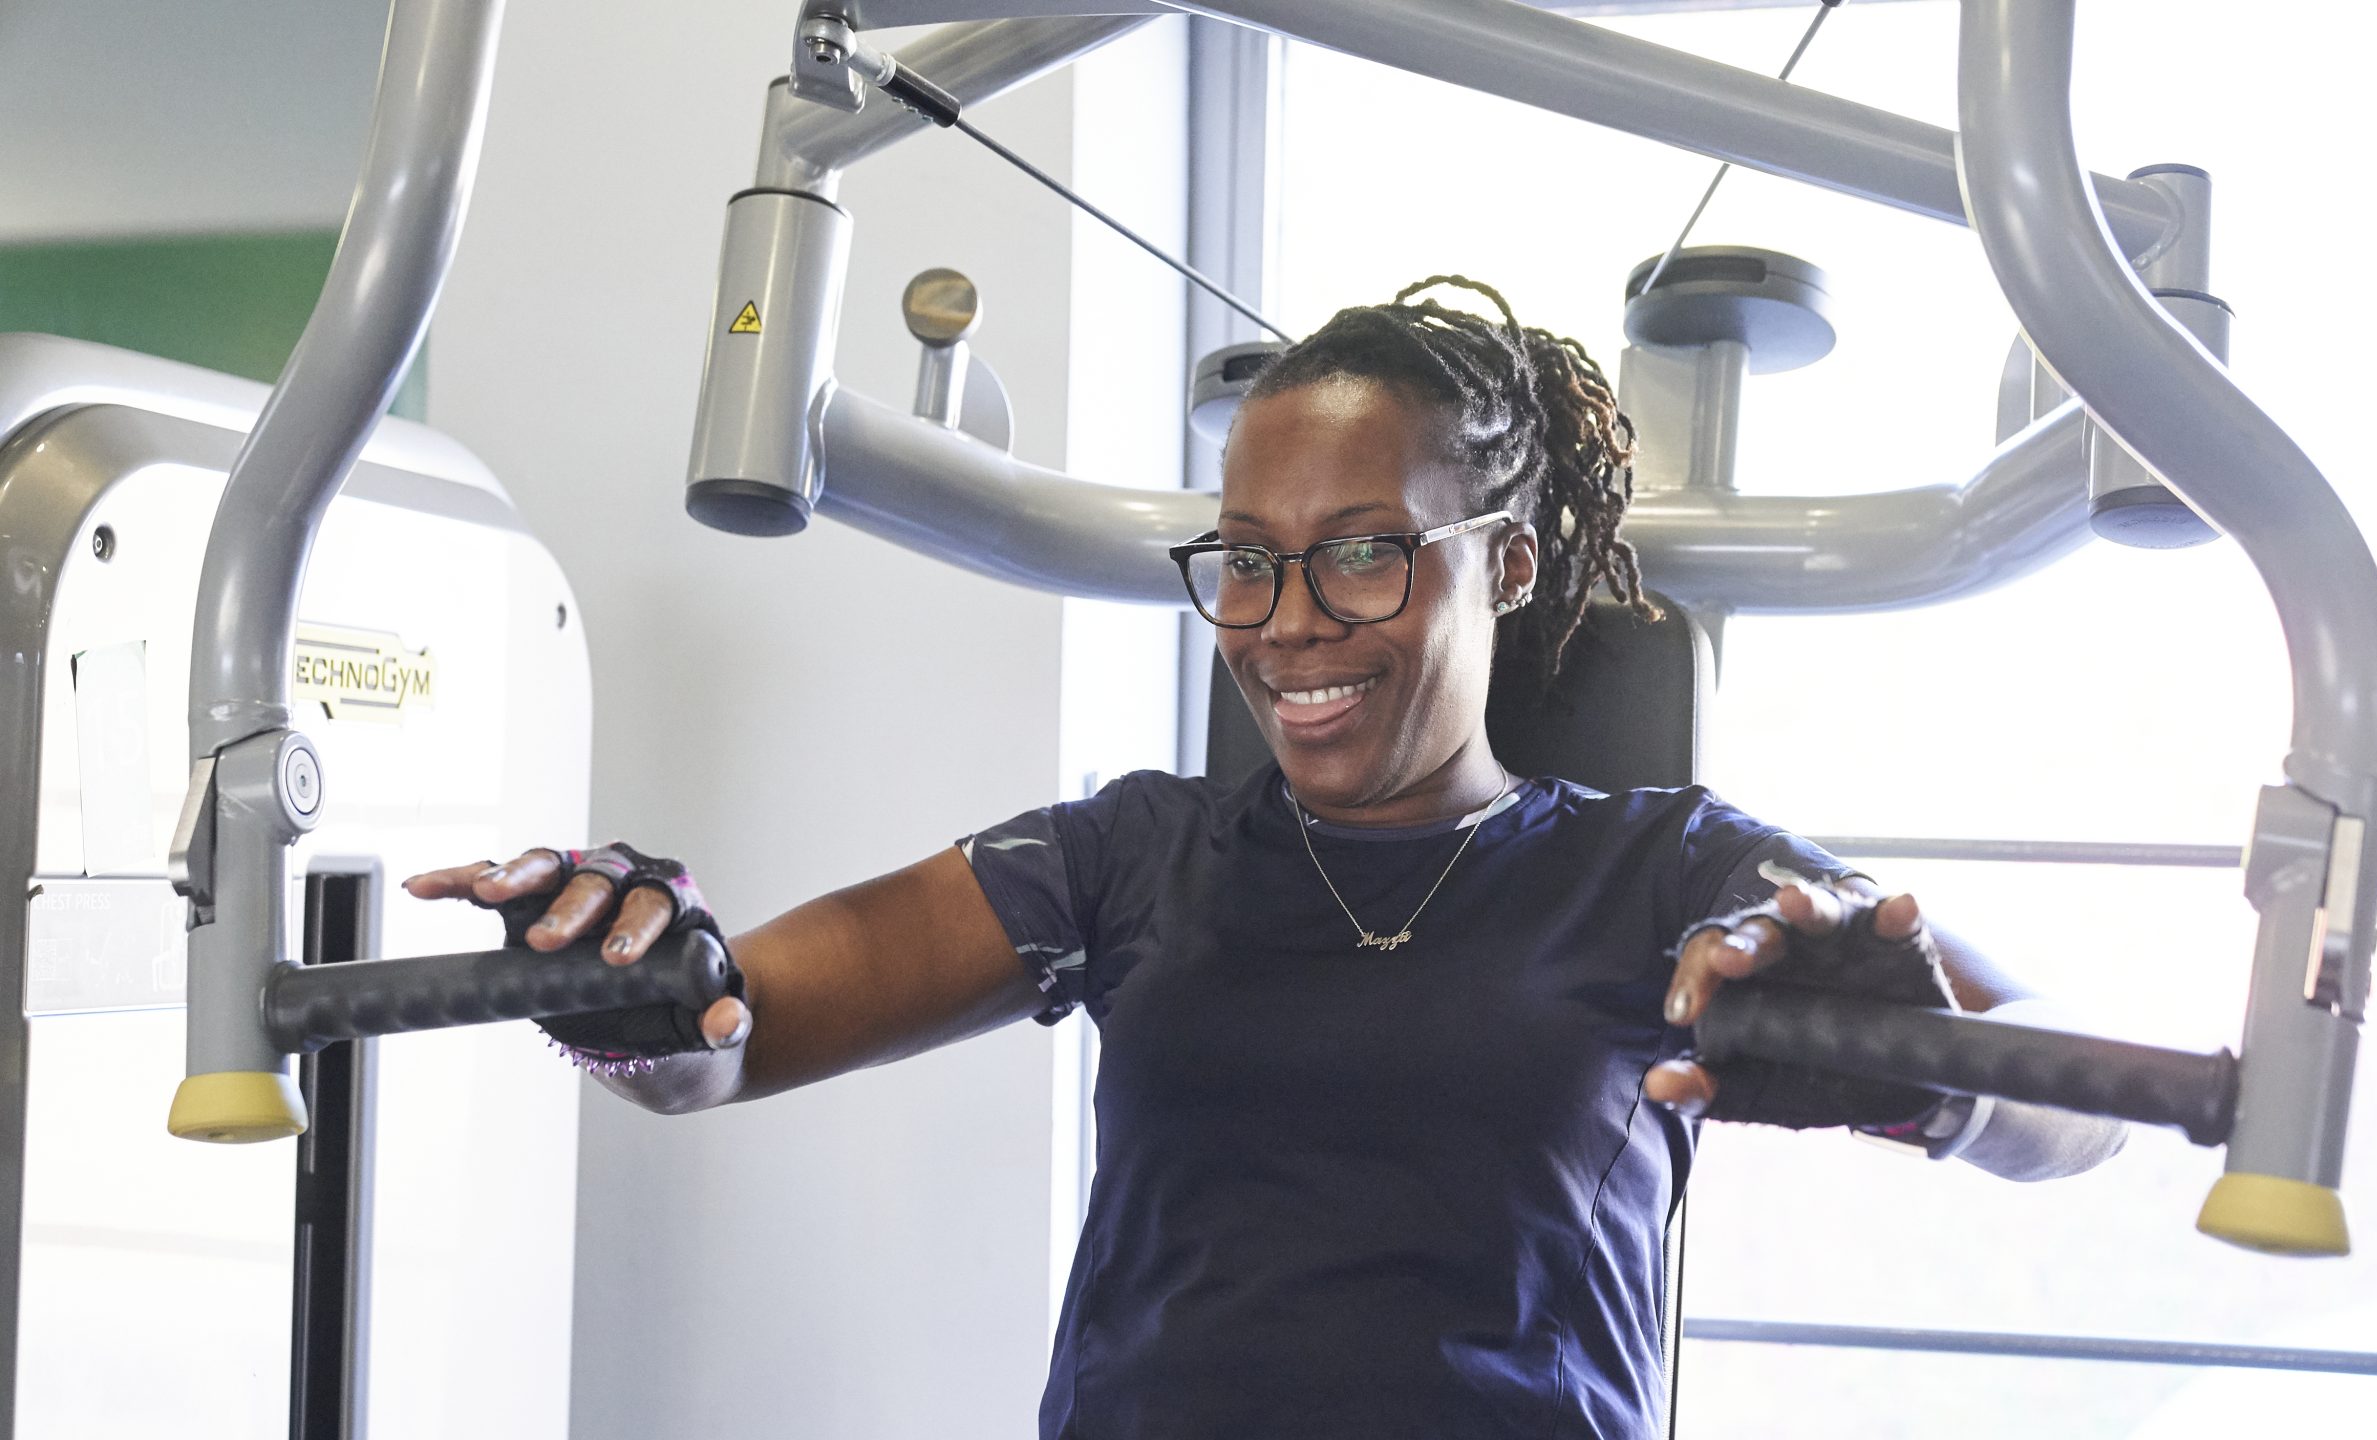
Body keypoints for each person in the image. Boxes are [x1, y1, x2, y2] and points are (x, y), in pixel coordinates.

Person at [406, 277, 2125, 1439]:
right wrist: (632, 981)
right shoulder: (1134, 854)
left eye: (1363, 555)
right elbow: (732, 1038)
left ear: (1506, 565)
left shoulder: (1665, 875)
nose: (1288, 626)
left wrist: (1934, 1074)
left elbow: (2084, 1110)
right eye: (1244, 561)